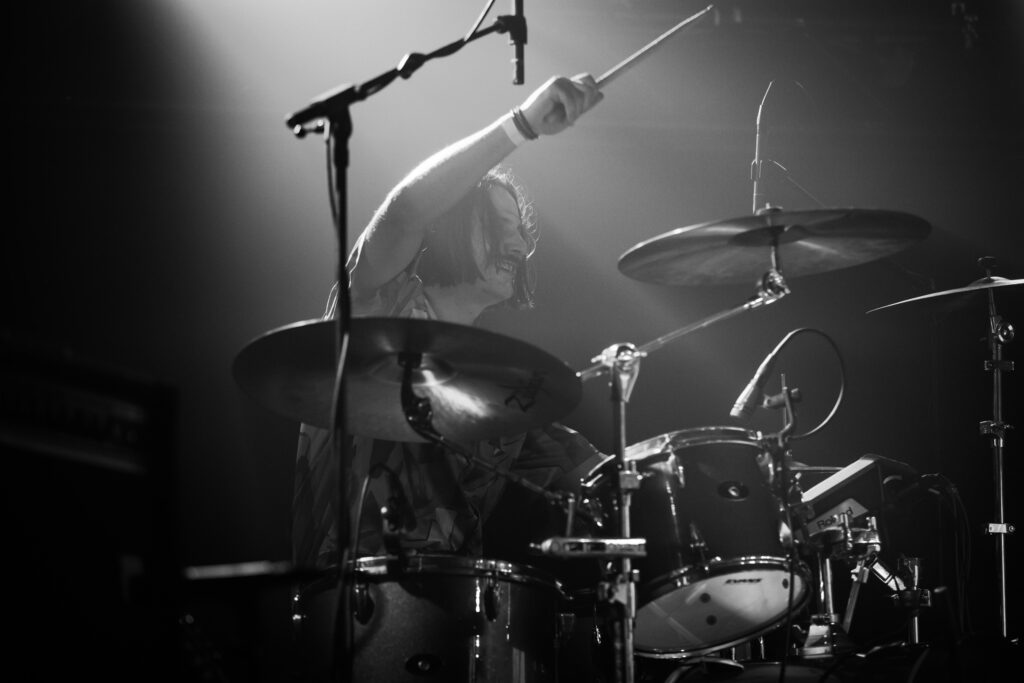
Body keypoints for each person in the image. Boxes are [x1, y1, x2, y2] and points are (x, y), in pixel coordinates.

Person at [291, 73, 607, 573]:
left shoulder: (495, 387)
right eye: (503, 226)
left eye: (522, 234)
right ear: (452, 227)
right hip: (341, 605)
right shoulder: (382, 306)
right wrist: (520, 125)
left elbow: (603, 483)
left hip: (455, 621)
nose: (521, 247)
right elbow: (403, 215)